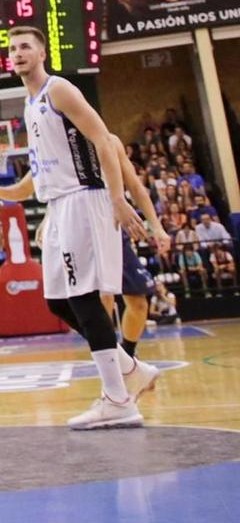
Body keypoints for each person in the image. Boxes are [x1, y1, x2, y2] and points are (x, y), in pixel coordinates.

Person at [0, 26, 158, 429]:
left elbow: (101, 138)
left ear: (42, 53)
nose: (18, 53)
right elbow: (38, 176)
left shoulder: (59, 90)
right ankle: (130, 367)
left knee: (83, 298)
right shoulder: (31, 105)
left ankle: (118, 399)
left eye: (26, 46)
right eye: (12, 49)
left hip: (85, 199)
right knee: (58, 301)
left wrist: (117, 198)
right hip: (61, 206)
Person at [100, 131, 167, 400]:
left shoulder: (111, 142)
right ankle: (112, 378)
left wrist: (157, 227)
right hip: (87, 230)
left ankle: (128, 361)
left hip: (116, 229)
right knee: (102, 304)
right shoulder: (63, 145)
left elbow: (137, 188)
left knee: (139, 303)